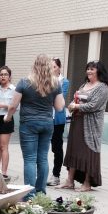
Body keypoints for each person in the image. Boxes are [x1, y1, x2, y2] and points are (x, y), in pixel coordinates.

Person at [5, 54, 64, 198]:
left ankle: (29, 195)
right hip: (47, 124)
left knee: (30, 159)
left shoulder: (24, 82)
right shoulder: (55, 83)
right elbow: (60, 107)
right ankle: (41, 192)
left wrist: (8, 117)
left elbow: (13, 105)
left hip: (29, 124)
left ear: (34, 65)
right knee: (43, 158)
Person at [61, 60, 108, 192]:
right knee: (73, 150)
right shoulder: (84, 84)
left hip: (91, 126)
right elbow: (76, 98)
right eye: (88, 69)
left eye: (92, 69)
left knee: (87, 152)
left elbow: (94, 105)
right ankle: (69, 181)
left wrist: (76, 106)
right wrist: (72, 104)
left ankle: (87, 183)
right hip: (77, 122)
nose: (89, 71)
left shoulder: (102, 87)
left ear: (98, 71)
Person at [0, 65, 16, 179]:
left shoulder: (14, 89)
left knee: (3, 146)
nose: (3, 76)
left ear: (9, 77)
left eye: (5, 74)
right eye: (1, 74)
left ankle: (4, 172)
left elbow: (16, 107)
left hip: (7, 118)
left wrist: (4, 105)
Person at [48, 57, 70, 186]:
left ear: (59, 68)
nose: (52, 70)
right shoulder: (45, 80)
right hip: (45, 117)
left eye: (54, 67)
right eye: (50, 67)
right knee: (47, 146)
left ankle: (56, 175)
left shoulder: (64, 82)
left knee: (57, 147)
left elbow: (59, 99)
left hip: (57, 119)